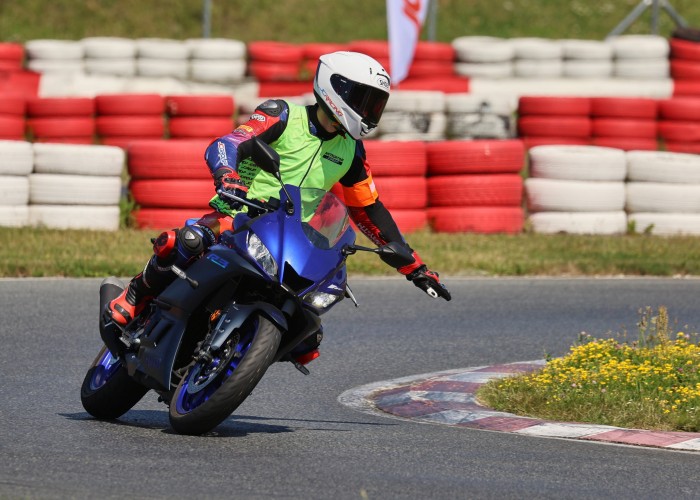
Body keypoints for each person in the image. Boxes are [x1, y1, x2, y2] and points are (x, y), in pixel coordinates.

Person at [106, 51, 451, 364]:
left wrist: (413, 266)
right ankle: (136, 294)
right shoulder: (282, 115)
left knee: (308, 338)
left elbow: (368, 209)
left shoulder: (352, 152)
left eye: (375, 104)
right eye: (363, 100)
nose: (368, 111)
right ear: (335, 89)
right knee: (186, 241)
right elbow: (229, 143)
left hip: (292, 240)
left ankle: (239, 354)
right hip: (239, 216)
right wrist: (227, 175)